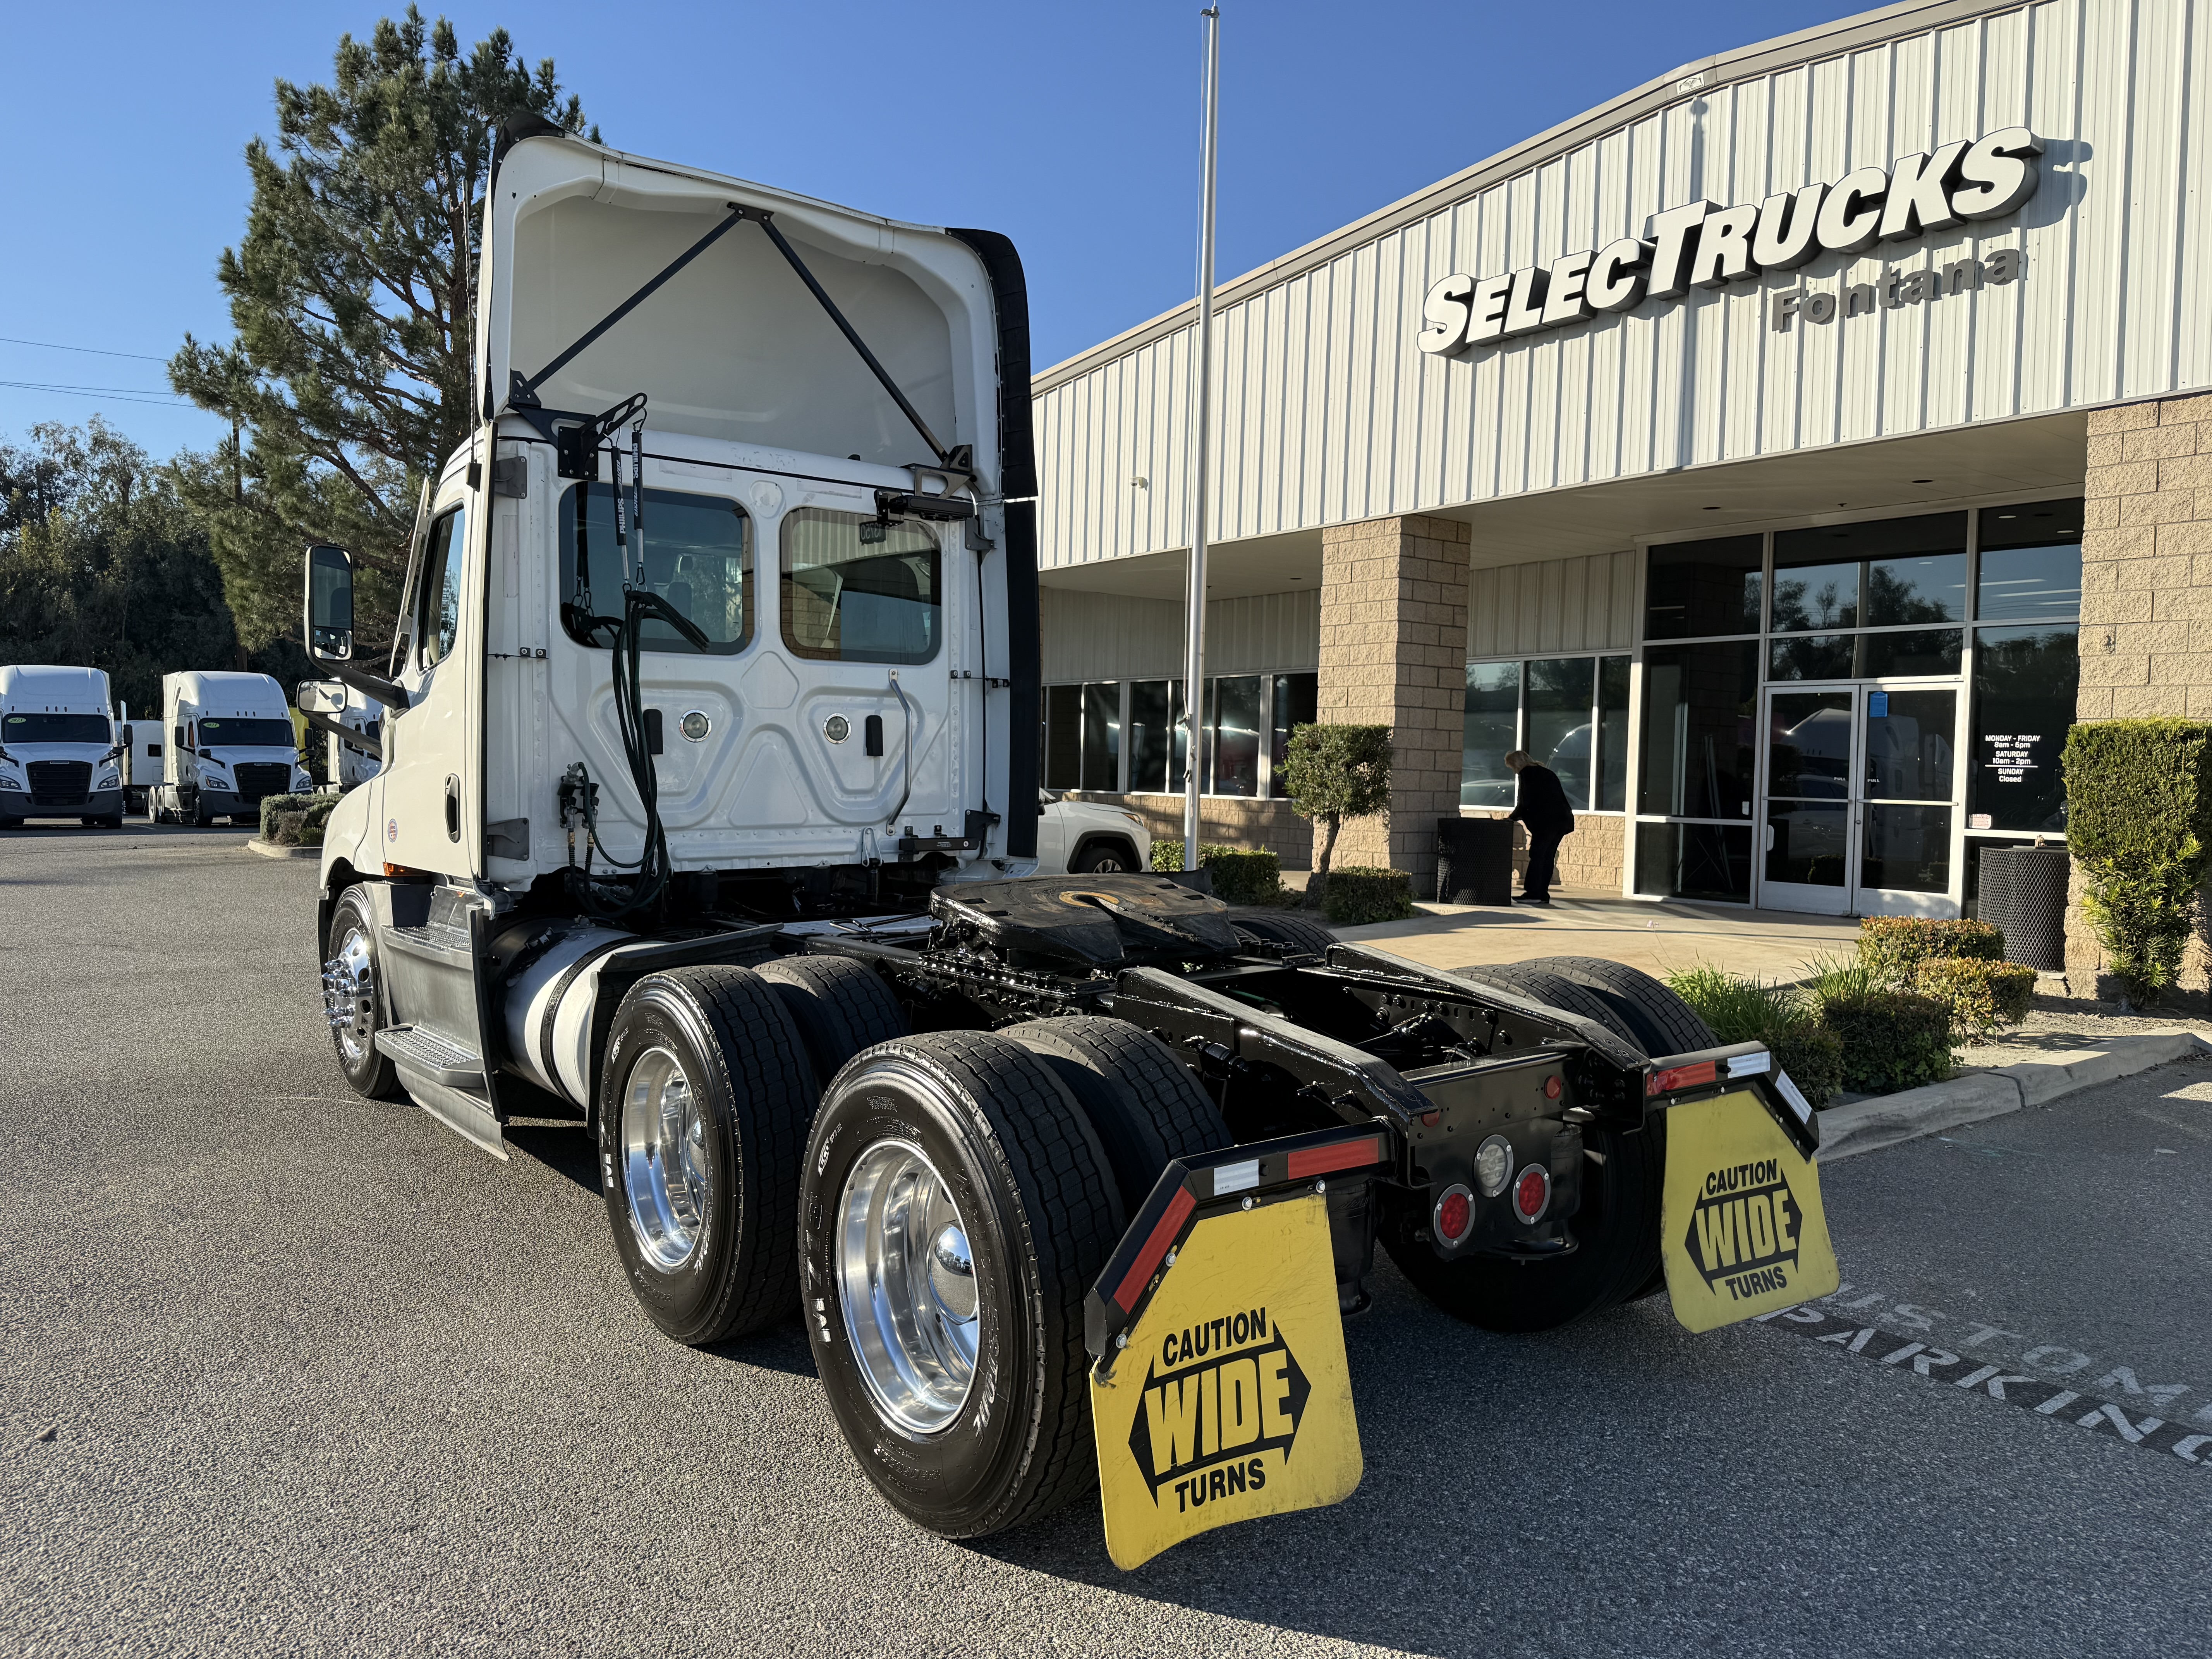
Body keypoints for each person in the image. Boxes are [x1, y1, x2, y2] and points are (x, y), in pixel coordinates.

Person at [1504, 750, 1575, 907]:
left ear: (1517, 764)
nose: (1514, 772)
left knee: (1537, 855)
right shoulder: (1546, 772)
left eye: (1512, 767)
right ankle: (1542, 894)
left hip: (1546, 823)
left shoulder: (1527, 774)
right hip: (1562, 821)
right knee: (1547, 857)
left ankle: (1534, 893)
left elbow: (1525, 802)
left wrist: (1511, 818)